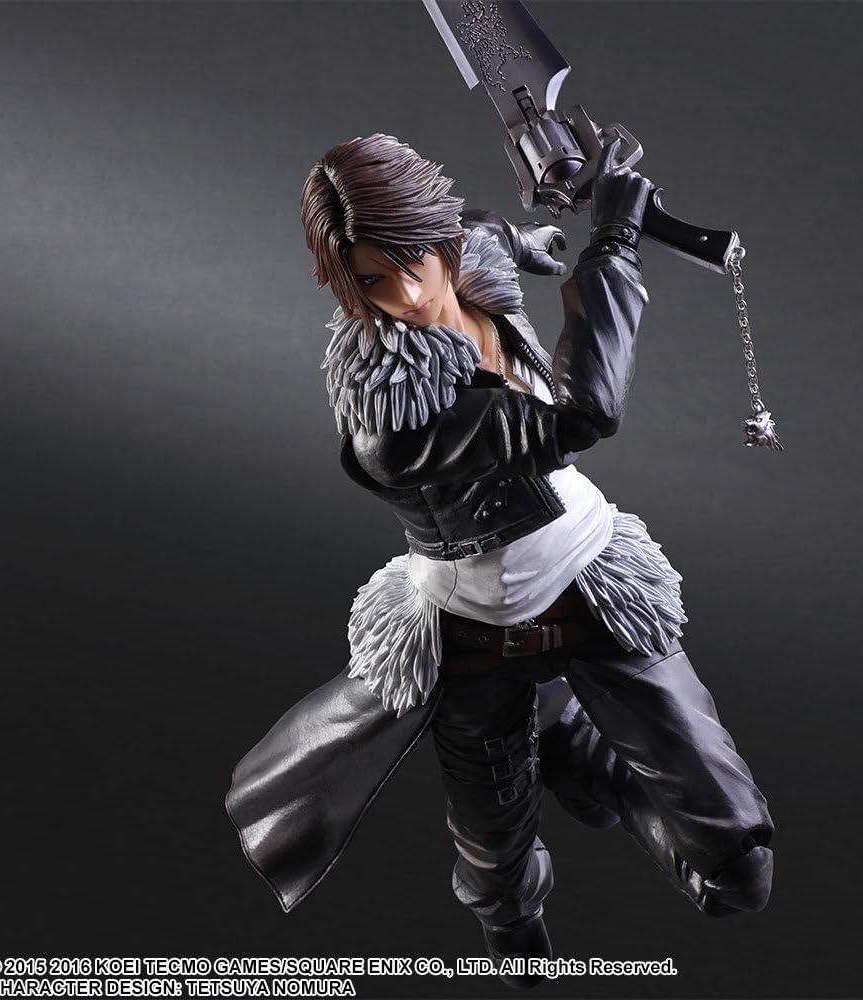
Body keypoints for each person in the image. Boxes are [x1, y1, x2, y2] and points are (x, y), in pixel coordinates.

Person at [227, 133, 773, 989]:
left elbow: (485, 227)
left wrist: (538, 232)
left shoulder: (466, 247)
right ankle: (520, 912)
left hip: (595, 590)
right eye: (372, 280)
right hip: (470, 636)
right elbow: (582, 417)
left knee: (740, 865)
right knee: (496, 860)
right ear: (345, 283)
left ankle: (579, 753)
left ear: (438, 240)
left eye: (414, 261)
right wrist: (613, 243)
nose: (408, 295)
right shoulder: (393, 424)